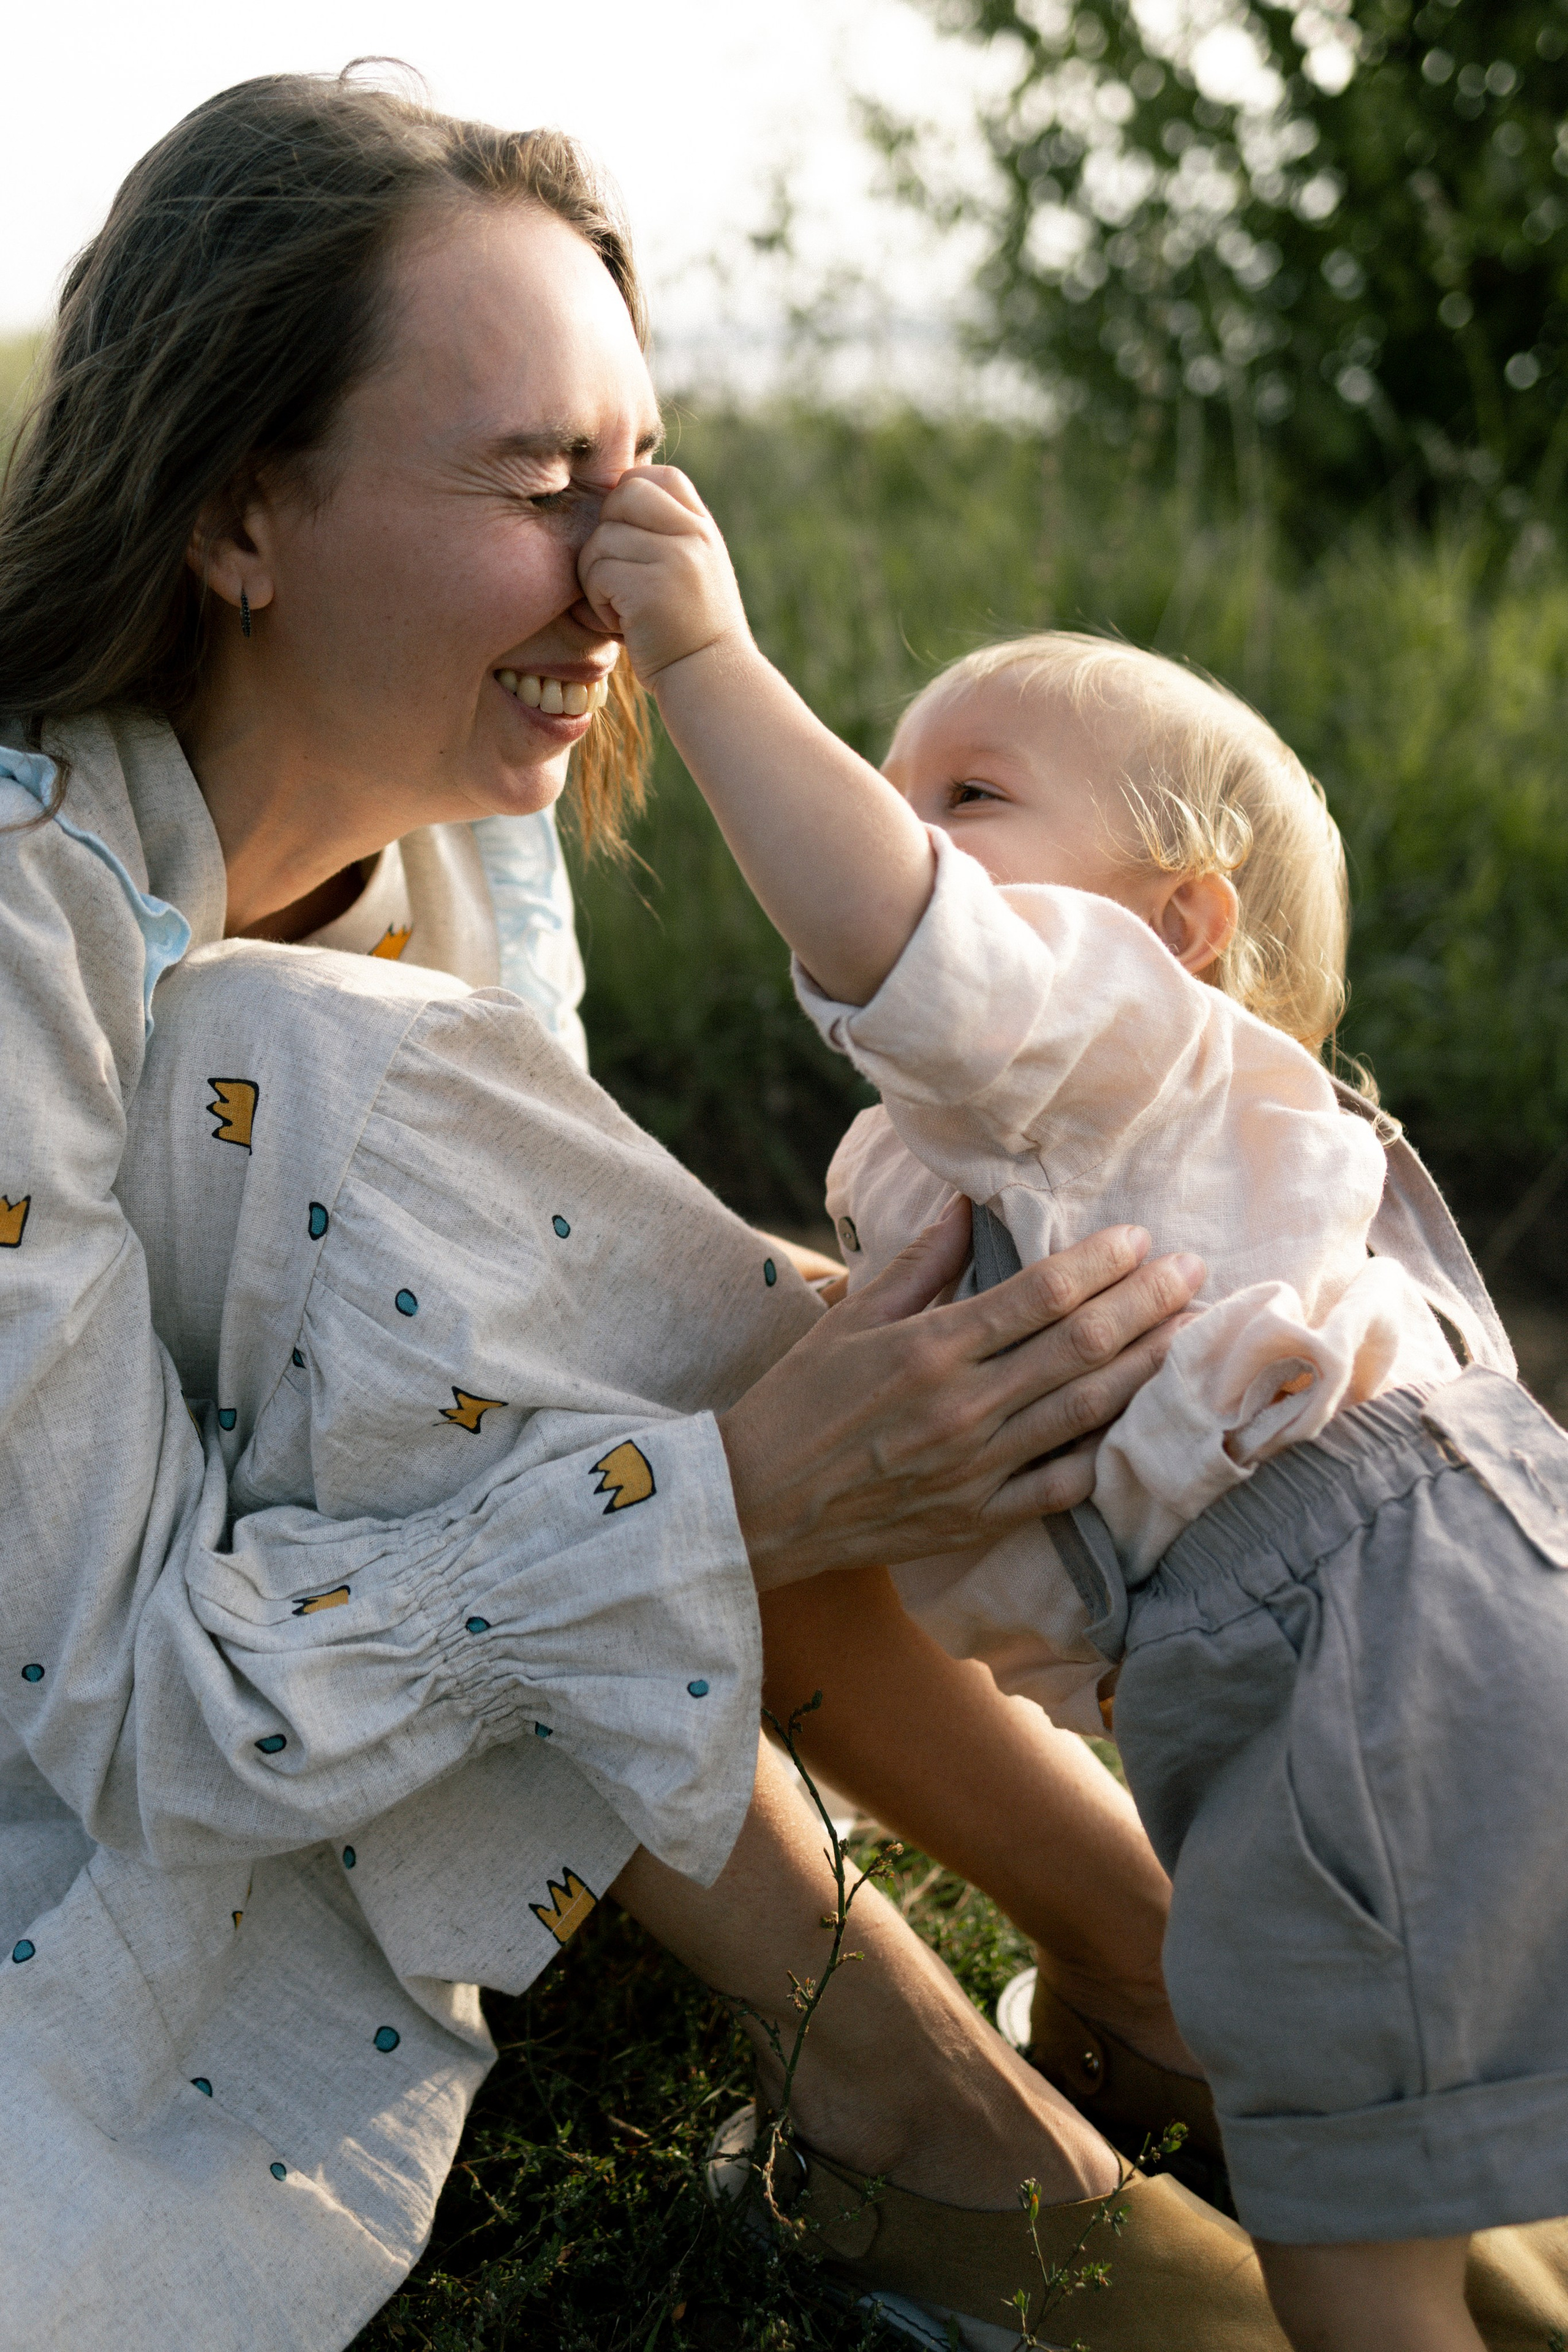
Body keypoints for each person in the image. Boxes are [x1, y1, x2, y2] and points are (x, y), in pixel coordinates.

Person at [0, 71, 1281, 2351]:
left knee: (677, 1335)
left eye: (641, 468)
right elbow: (134, 1714)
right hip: (86, 1746)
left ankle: (1181, 1975)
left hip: (310, 1611)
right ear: (236, 521)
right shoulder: (24, 931)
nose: (631, 565)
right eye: (531, 481)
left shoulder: (467, 849)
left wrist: (817, 1386)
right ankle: (953, 2118)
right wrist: (738, 1487)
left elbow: (510, 1371)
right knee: (327, 1103)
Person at [575, 467, 1568, 2352]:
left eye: (966, 801)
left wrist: (703, 656)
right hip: (1437, 1611)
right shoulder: (1112, 1151)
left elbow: (896, 934)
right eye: (900, 781)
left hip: (1352, 1648)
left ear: (1177, 924)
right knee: (1439, 2124)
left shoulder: (1104, 1044)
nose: (899, 826)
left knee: (1343, 2249)